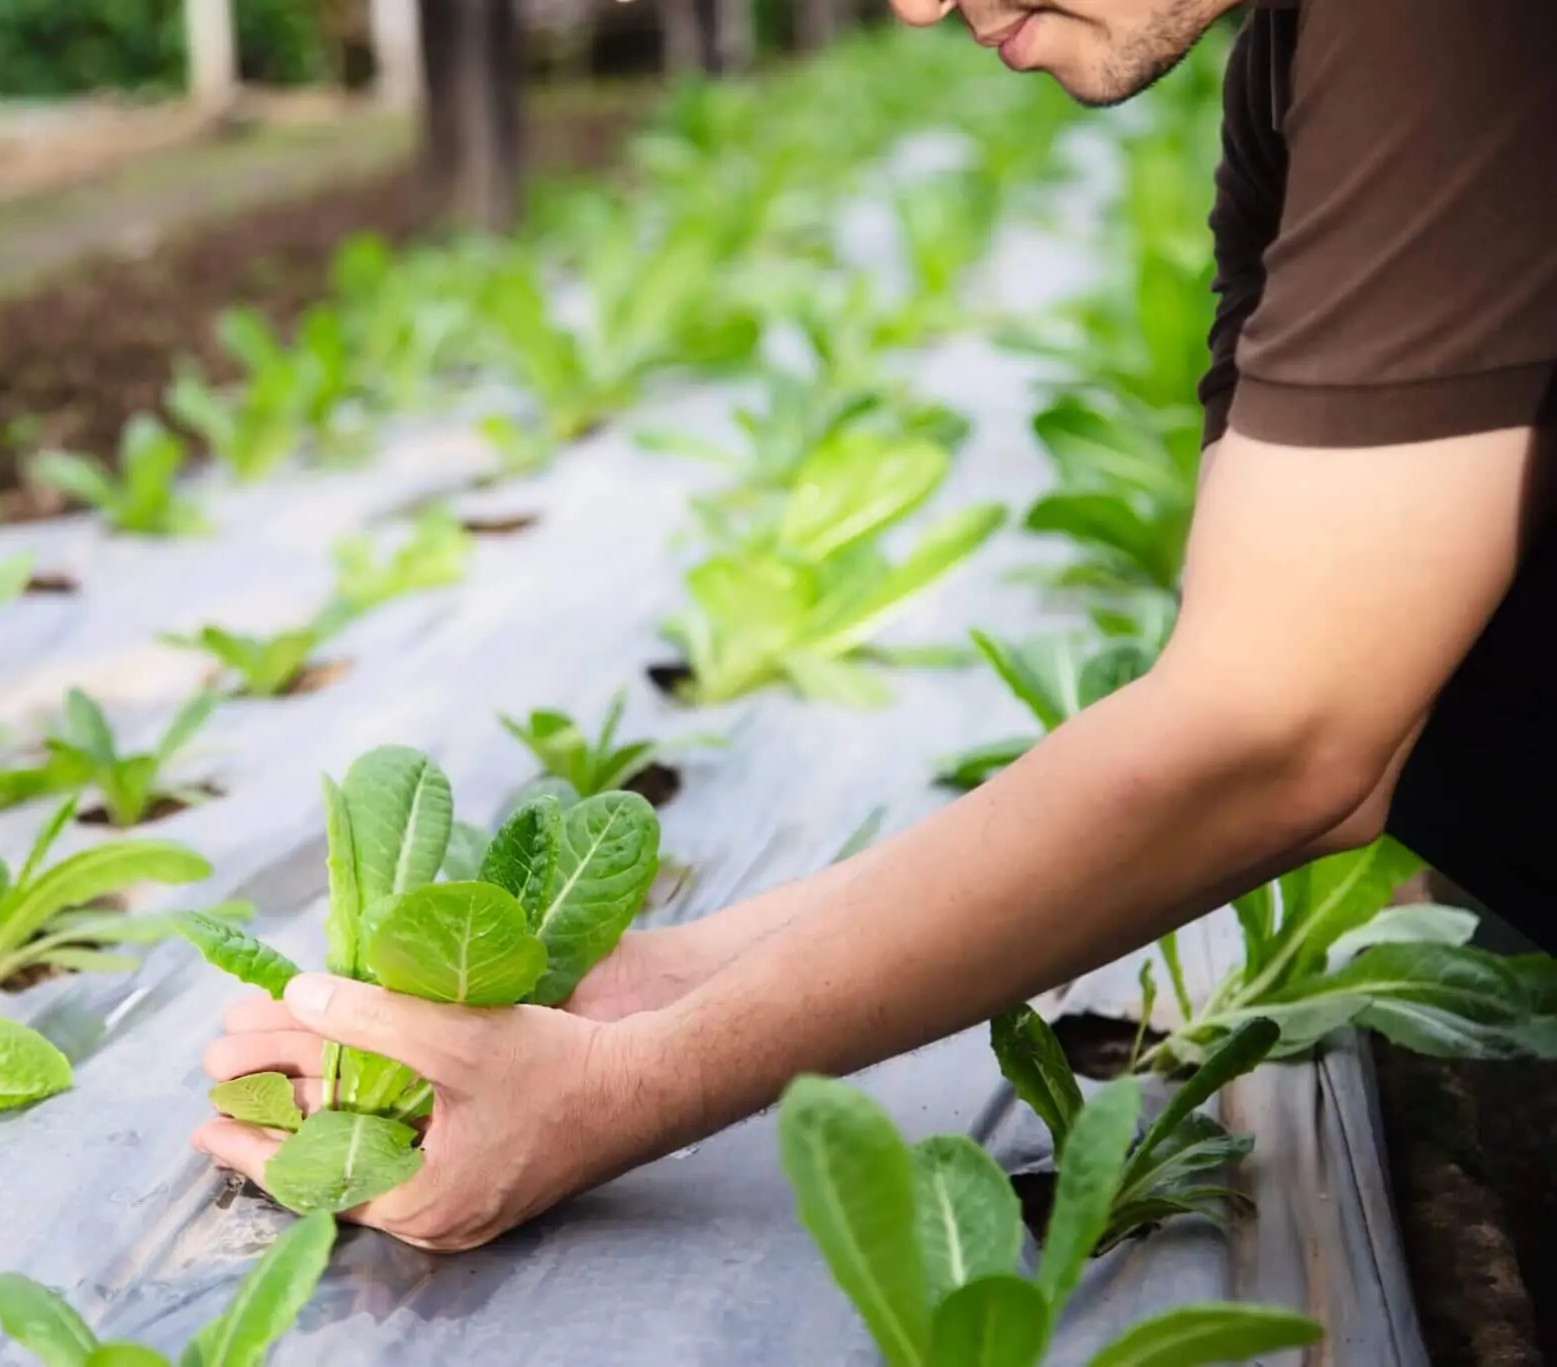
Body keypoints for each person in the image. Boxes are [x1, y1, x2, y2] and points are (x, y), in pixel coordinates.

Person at [195, 0, 1557, 1252]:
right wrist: (654, 984)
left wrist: (615, 1094)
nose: (913, 5)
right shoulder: (1299, 62)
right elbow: (1247, 686)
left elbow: (1283, 738)